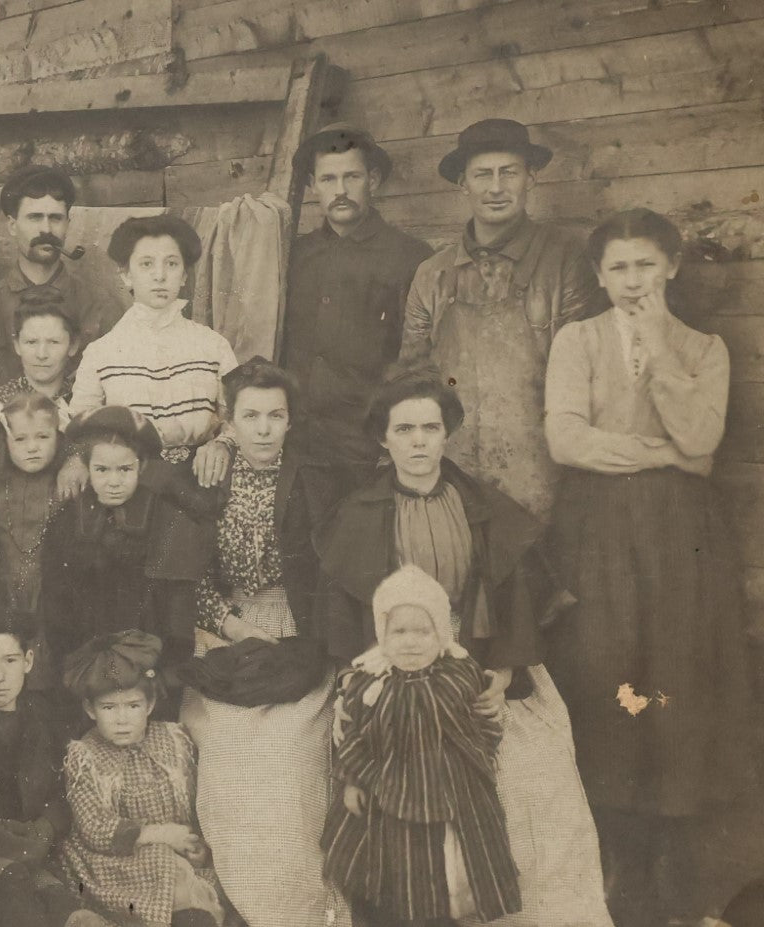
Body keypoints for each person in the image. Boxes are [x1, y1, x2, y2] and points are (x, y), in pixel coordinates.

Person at [314, 373, 613, 927]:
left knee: (532, 779)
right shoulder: (358, 513)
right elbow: (349, 617)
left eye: (432, 427)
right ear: (384, 439)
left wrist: (500, 673)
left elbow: (515, 592)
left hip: (479, 660)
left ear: (448, 432)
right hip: (394, 670)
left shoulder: (480, 505)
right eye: (404, 429)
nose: (419, 441)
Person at [544, 208, 753, 926]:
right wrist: (667, 455)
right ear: (599, 277)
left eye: (645, 265)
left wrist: (661, 347)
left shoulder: (703, 347)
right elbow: (567, 439)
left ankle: (674, 867)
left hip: (678, 539)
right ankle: (611, 856)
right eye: (618, 268)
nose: (632, 281)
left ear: (671, 268)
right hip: (599, 530)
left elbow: (703, 433)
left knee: (672, 678)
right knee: (607, 669)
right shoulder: (578, 340)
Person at [173, 358, 348, 927]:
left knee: (289, 759)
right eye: (250, 416)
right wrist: (232, 626)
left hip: (296, 631)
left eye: (276, 415)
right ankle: (243, 904)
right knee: (227, 755)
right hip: (223, 632)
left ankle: (299, 909)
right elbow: (187, 574)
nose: (265, 428)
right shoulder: (206, 474)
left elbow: (327, 573)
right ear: (229, 420)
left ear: (291, 420)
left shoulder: (312, 480)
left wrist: (289, 632)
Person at [400, 118, 601, 517]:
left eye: (508, 172)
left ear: (531, 178)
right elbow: (411, 380)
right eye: (482, 174)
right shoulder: (432, 274)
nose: (496, 187)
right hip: (452, 475)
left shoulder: (564, 260)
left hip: (541, 478)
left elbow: (583, 376)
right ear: (463, 184)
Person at [322, 565, 521, 927]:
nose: (411, 641)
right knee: (393, 866)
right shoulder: (371, 684)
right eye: (399, 631)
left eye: (422, 631)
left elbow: (483, 722)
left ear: (441, 634)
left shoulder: (459, 675)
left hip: (450, 788)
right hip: (388, 792)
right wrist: (352, 781)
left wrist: (481, 758)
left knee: (447, 866)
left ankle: (443, 914)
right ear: (382, 632)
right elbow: (353, 736)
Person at [280, 123, 434, 485]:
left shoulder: (410, 258)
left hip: (366, 449)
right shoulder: (294, 256)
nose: (341, 190)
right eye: (328, 179)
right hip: (296, 443)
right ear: (312, 186)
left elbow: (419, 362)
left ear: (374, 180)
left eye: (352, 177)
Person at [36, 407, 216, 703]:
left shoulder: (166, 518)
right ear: (87, 468)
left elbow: (178, 610)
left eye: (125, 469)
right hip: (85, 668)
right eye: (102, 470)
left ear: (141, 467)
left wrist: (161, 674)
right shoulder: (67, 522)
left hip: (150, 670)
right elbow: (56, 607)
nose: (113, 481)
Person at [0, 601, 108, 927]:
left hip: (40, 843)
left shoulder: (44, 716)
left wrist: (46, 828)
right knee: (18, 889)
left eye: (10, 660)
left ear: (28, 661)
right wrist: (20, 844)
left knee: (63, 899)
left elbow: (68, 787)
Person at [59, 631, 224, 927]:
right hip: (116, 863)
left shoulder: (175, 740)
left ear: (149, 705)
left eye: (133, 706)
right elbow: (93, 827)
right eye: (109, 708)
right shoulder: (85, 755)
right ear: (90, 709)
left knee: (201, 903)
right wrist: (161, 835)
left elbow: (198, 801)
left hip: (179, 858)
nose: (122, 719)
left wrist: (195, 843)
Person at [69, 215, 241, 490]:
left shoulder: (213, 345)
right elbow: (82, 428)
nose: (160, 275)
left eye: (171, 264)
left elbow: (237, 415)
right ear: (126, 274)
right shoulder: (101, 353)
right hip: (126, 485)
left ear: (184, 275)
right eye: (146, 264)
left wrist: (222, 444)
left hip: (201, 480)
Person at [0, 165, 125, 404]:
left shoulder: (100, 306)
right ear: (12, 225)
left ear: (68, 223)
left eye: (55, 218)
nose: (46, 229)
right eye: (35, 217)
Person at [0, 390, 67, 618]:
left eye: (43, 437)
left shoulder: (64, 484)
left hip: (53, 595)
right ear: (5, 441)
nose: (32, 447)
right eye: (20, 439)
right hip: (4, 591)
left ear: (58, 435)